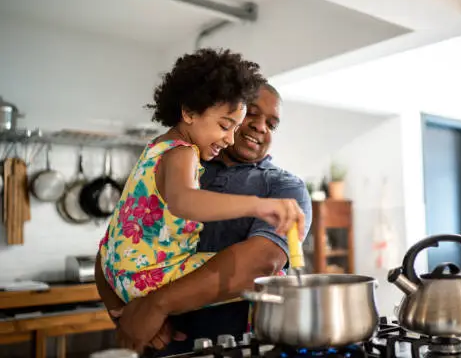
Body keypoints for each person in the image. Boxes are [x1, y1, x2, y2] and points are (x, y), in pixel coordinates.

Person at [94, 82, 312, 356]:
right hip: (162, 345)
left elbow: (261, 264)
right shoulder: (184, 159)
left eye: (272, 123)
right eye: (250, 115)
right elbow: (116, 240)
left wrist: (154, 305)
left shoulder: (285, 187)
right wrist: (126, 312)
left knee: (273, 275)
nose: (261, 127)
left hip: (233, 347)